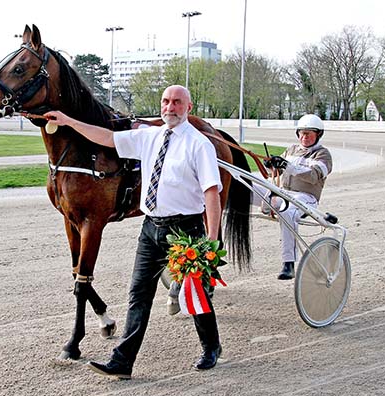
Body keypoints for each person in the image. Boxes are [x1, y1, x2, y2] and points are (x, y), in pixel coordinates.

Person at [44, 85, 223, 379]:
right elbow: (108, 138)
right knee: (138, 295)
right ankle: (122, 362)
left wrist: (212, 242)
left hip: (185, 232)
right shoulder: (149, 136)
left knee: (194, 295)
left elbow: (211, 195)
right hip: (150, 228)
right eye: (166, 101)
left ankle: (211, 346)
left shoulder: (198, 145)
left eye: (177, 103)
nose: (170, 107)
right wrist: (69, 121)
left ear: (188, 108)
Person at [261, 114, 332, 280]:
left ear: (318, 135)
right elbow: (279, 172)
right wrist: (273, 165)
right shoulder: (292, 149)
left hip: (305, 198)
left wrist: (288, 166)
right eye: (301, 133)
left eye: (309, 134)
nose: (304, 137)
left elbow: (313, 176)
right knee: (248, 190)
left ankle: (289, 264)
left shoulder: (323, 155)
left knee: (287, 214)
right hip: (283, 193)